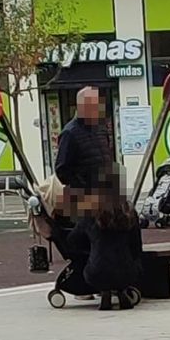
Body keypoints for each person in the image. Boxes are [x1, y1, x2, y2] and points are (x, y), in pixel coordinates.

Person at [53, 87, 114, 275]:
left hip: (105, 194)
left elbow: (106, 156)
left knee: (109, 238)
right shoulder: (70, 133)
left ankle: (107, 276)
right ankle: (88, 277)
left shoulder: (100, 128)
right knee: (90, 240)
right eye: (93, 104)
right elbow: (62, 168)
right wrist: (82, 187)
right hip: (86, 198)